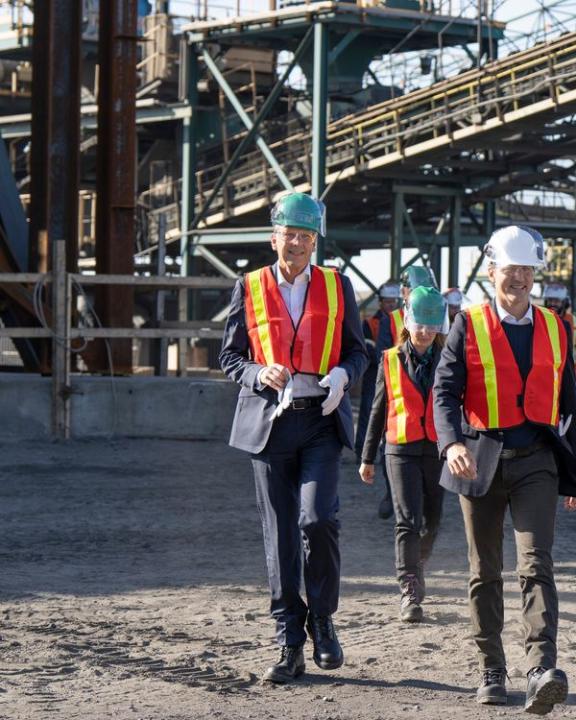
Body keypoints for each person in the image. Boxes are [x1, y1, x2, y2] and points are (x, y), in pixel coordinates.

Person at [433, 225, 576, 714]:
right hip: (479, 460)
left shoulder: (555, 327)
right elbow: (444, 391)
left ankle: (542, 667)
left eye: (527, 270)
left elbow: (570, 401)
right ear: (492, 272)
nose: (519, 278)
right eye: (511, 269)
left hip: (537, 463)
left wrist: (575, 472)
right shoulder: (468, 324)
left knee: (535, 564)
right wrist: (449, 444)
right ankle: (491, 668)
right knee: (484, 572)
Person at [218, 192, 368, 684]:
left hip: (321, 420)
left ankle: (323, 619)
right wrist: (259, 373)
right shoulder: (250, 286)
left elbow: (358, 351)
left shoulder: (337, 286)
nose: (298, 244)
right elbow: (230, 357)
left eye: (307, 236)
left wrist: (344, 376)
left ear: (315, 241)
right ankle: (289, 640)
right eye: (290, 234)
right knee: (280, 532)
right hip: (270, 427)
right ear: (274, 237)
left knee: (318, 518)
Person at [359, 286, 449, 623]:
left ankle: (418, 563)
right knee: (407, 520)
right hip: (400, 449)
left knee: (434, 520)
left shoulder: (449, 361)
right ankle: (409, 587)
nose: (425, 332)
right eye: (419, 324)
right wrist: (368, 458)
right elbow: (377, 410)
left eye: (431, 325)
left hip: (438, 450)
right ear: (407, 322)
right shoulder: (389, 359)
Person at [374, 265, 439, 518]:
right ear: (404, 291)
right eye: (415, 289)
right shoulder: (392, 319)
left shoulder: (435, 317)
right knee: (388, 445)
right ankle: (393, 493)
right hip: (394, 387)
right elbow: (380, 351)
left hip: (424, 389)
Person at [355, 281, 401, 461]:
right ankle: (362, 451)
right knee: (368, 412)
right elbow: (368, 349)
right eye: (388, 302)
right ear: (381, 302)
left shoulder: (399, 321)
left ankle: (384, 450)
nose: (391, 305)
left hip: (394, 373)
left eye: (393, 302)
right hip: (374, 373)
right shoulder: (369, 324)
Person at [542, 282, 576, 412]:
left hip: (571, 374)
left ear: (565, 302)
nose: (553, 304)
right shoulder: (538, 319)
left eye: (557, 301)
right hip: (545, 375)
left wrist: (569, 365)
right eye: (550, 300)